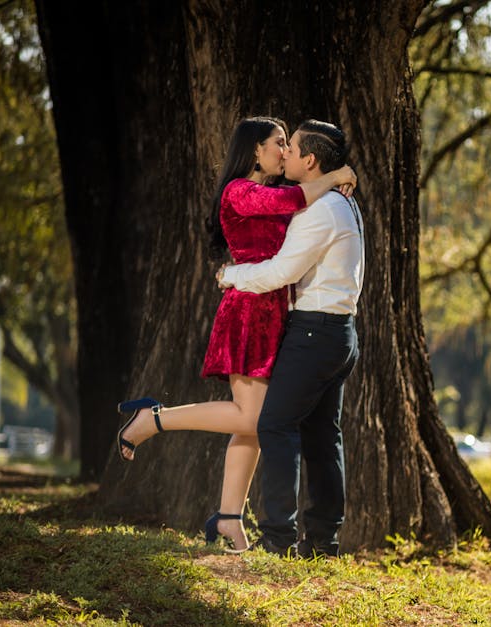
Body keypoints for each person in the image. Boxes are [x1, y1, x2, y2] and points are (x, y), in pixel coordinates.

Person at [116, 116, 357, 553]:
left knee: (254, 421)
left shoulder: (285, 197)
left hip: (273, 312)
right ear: (254, 151)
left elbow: (298, 203)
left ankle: (230, 517)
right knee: (253, 420)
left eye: (289, 144)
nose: (284, 151)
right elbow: (296, 197)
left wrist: (330, 183)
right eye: (278, 143)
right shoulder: (240, 191)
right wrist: (337, 175)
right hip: (248, 311)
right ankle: (153, 419)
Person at [217, 119, 364, 558]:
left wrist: (231, 275)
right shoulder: (343, 203)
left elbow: (282, 272)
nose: (286, 155)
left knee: (275, 425)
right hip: (340, 332)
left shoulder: (319, 210)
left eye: (292, 148)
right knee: (322, 435)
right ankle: (322, 542)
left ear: (310, 160)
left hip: (316, 330)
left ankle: (278, 539)